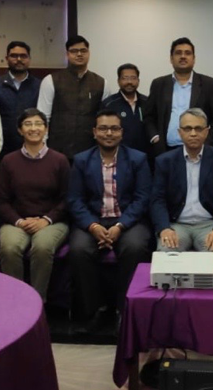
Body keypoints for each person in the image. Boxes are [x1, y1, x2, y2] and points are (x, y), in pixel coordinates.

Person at [67, 109, 152, 332]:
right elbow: (75, 200)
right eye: (103, 128)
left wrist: (120, 226)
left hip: (127, 221)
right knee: (78, 249)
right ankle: (95, 309)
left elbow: (143, 198)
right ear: (94, 132)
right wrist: (93, 226)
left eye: (114, 128)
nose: (109, 133)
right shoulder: (82, 160)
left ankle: (125, 309)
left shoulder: (137, 159)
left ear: (121, 133)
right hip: (92, 221)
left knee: (135, 247)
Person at [0, 108, 71, 299]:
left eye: (38, 124)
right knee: (9, 248)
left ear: (46, 129)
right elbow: (1, 200)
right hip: (17, 221)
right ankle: (14, 299)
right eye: (28, 124)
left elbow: (67, 198)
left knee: (43, 247)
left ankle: (36, 302)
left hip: (52, 221)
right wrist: (19, 221)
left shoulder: (59, 160)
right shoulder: (8, 161)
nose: (33, 128)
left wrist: (46, 219)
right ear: (20, 130)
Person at [151, 108, 213, 263]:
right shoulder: (164, 161)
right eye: (187, 129)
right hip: (177, 224)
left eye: (198, 129)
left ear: (207, 131)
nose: (193, 133)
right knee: (165, 253)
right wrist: (164, 228)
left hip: (209, 225)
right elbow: (157, 200)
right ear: (179, 132)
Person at [143, 37, 213, 157]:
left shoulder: (209, 84)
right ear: (171, 59)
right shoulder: (159, 84)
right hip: (165, 150)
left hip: (199, 151)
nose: (183, 56)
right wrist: (155, 137)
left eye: (187, 53)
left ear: (194, 59)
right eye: (178, 53)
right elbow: (148, 116)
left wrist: (206, 143)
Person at [36, 35, 110, 159]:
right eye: (74, 51)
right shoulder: (51, 80)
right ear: (67, 54)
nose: (79, 54)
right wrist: (42, 148)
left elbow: (105, 120)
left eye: (83, 51)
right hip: (57, 150)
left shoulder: (102, 83)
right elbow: (42, 118)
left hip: (90, 151)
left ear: (89, 53)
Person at [0, 41, 41, 159]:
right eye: (14, 56)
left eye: (23, 56)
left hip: (33, 146)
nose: (19, 59)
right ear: (7, 58)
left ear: (29, 59)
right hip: (2, 147)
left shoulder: (40, 85)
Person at [100, 63, 149, 154]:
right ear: (118, 81)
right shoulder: (109, 104)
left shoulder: (148, 102)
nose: (129, 82)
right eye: (125, 78)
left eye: (133, 78)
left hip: (145, 155)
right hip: (118, 155)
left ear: (138, 81)